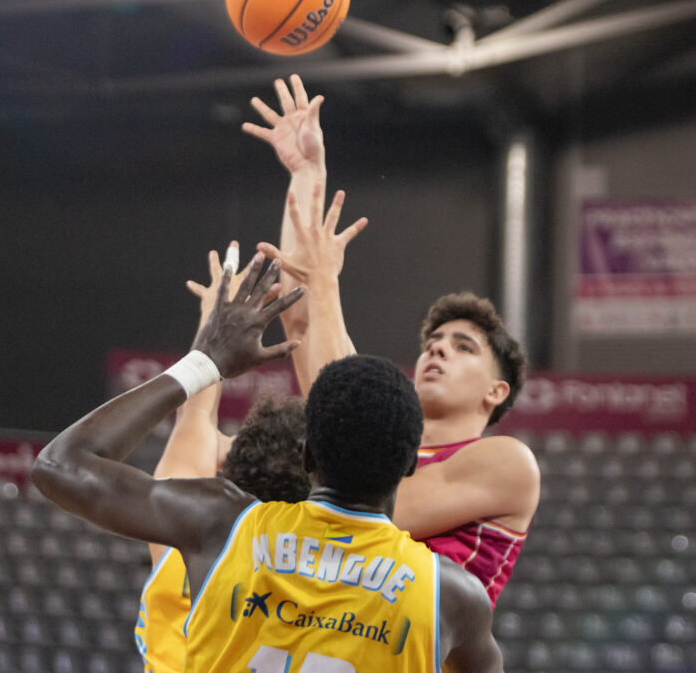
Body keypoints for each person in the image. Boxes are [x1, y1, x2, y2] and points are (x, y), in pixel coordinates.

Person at [34, 256, 501, 672]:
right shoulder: (452, 596)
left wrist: (206, 361)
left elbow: (59, 465)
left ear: (308, 454)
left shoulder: (219, 526)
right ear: (409, 465)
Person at [248, 76, 539, 606]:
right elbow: (300, 318)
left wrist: (326, 282)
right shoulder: (369, 432)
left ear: (496, 392)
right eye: (434, 341)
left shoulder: (505, 463)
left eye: (464, 346)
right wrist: (306, 174)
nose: (438, 349)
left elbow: (374, 501)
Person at [135, 243, 311, 673]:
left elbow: (195, 415)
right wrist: (317, 300)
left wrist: (214, 324)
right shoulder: (330, 580)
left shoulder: (187, 544)